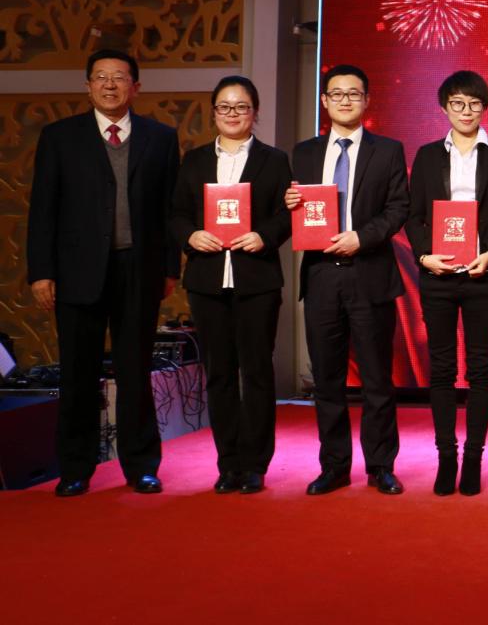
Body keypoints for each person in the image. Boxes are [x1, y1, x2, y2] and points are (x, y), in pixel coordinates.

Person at [27, 49, 181, 497]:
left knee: (136, 372)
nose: (110, 85)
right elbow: (43, 210)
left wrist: (169, 267)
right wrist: (42, 272)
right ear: (88, 86)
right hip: (77, 271)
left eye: (119, 77)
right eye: (100, 77)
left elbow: (170, 210)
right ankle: (75, 468)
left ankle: (142, 466)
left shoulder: (160, 137)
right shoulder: (60, 137)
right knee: (78, 372)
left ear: (136, 86)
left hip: (139, 267)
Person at [286, 65, 409, 496]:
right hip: (321, 275)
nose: (344, 101)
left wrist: (361, 237)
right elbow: (299, 209)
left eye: (353, 94)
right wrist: (290, 202)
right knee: (327, 379)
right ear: (324, 101)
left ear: (366, 100)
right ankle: (334, 466)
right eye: (336, 94)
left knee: (377, 378)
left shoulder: (388, 150)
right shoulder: (304, 153)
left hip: (369, 272)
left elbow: (398, 208)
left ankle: (381, 465)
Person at [169, 76, 291, 494]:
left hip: (256, 279)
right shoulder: (194, 161)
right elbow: (176, 214)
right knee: (218, 374)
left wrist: (264, 235)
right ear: (214, 112)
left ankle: (255, 464)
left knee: (256, 372)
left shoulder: (275, 160)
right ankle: (228, 464)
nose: (233, 114)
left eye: (241, 107)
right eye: (224, 106)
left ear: (255, 113)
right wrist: (191, 236)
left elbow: (287, 213)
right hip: (207, 280)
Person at [405, 71, 488, 496]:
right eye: (457, 103)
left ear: (484, 107)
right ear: (444, 108)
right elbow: (413, 215)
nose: (466, 111)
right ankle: (446, 457)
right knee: (441, 370)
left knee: (479, 370)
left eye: (474, 103)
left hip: (481, 275)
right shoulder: (427, 155)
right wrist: (424, 256)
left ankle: (473, 457)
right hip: (437, 276)